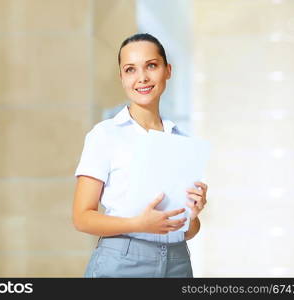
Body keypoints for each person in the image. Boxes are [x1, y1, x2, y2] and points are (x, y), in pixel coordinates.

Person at [72, 33, 208, 278]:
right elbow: (82, 218)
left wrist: (194, 215)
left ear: (168, 70)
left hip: (177, 262)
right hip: (122, 261)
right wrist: (138, 224)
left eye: (151, 66)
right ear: (121, 77)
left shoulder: (183, 141)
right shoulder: (104, 135)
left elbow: (188, 231)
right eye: (130, 69)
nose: (142, 78)